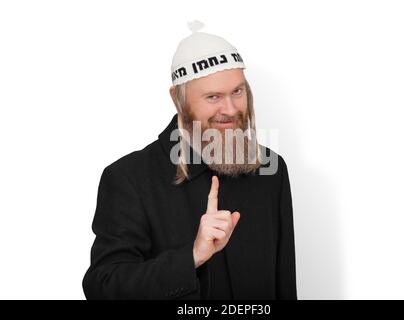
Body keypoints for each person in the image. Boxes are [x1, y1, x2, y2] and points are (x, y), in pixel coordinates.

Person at [82, 20, 297, 300]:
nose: (230, 109)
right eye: (213, 96)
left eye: (237, 91)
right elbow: (103, 286)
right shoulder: (128, 178)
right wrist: (192, 256)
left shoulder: (271, 169)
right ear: (178, 99)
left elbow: (284, 283)